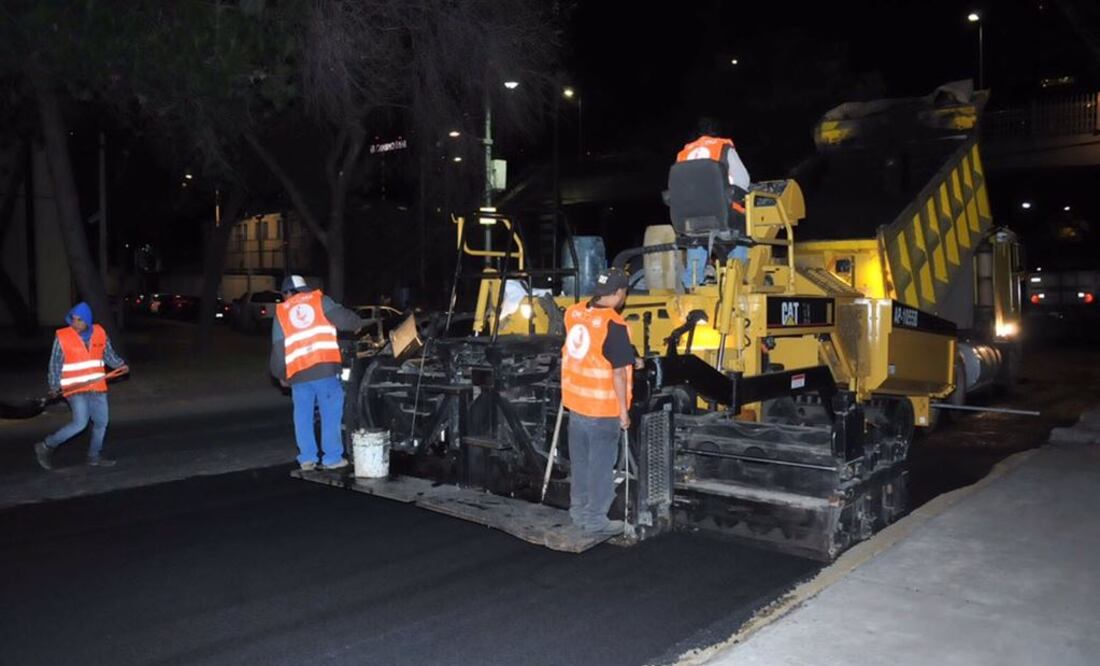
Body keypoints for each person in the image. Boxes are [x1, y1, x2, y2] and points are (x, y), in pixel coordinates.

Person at [561, 267, 635, 535]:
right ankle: (595, 520)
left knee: (580, 464)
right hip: (602, 410)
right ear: (617, 294)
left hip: (576, 404)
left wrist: (629, 357)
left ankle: (578, 511)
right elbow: (617, 373)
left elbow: (590, 350)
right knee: (601, 468)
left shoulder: (574, 312)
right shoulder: (614, 324)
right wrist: (624, 412)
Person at [271, 275, 364, 471]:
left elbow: (278, 348)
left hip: (298, 374)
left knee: (302, 416)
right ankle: (331, 458)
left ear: (286, 293)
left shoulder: (282, 312)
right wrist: (358, 323)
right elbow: (345, 319)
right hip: (324, 370)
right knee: (330, 413)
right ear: (304, 288)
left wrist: (281, 374)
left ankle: (307, 458)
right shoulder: (319, 300)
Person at [34, 302, 129, 470]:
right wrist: (54, 385)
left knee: (101, 423)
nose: (75, 323)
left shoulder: (99, 333)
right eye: (73, 319)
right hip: (75, 388)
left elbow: (109, 355)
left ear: (88, 321)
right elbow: (55, 363)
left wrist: (120, 365)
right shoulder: (63, 337)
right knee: (80, 423)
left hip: (97, 386)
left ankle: (94, 456)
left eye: (79, 320)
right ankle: (46, 445)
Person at [676, 117, 753, 262]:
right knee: (746, 227)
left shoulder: (683, 153)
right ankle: (737, 272)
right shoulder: (723, 147)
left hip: (689, 217)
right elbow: (744, 181)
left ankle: (693, 279)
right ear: (717, 132)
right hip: (721, 215)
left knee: (697, 238)